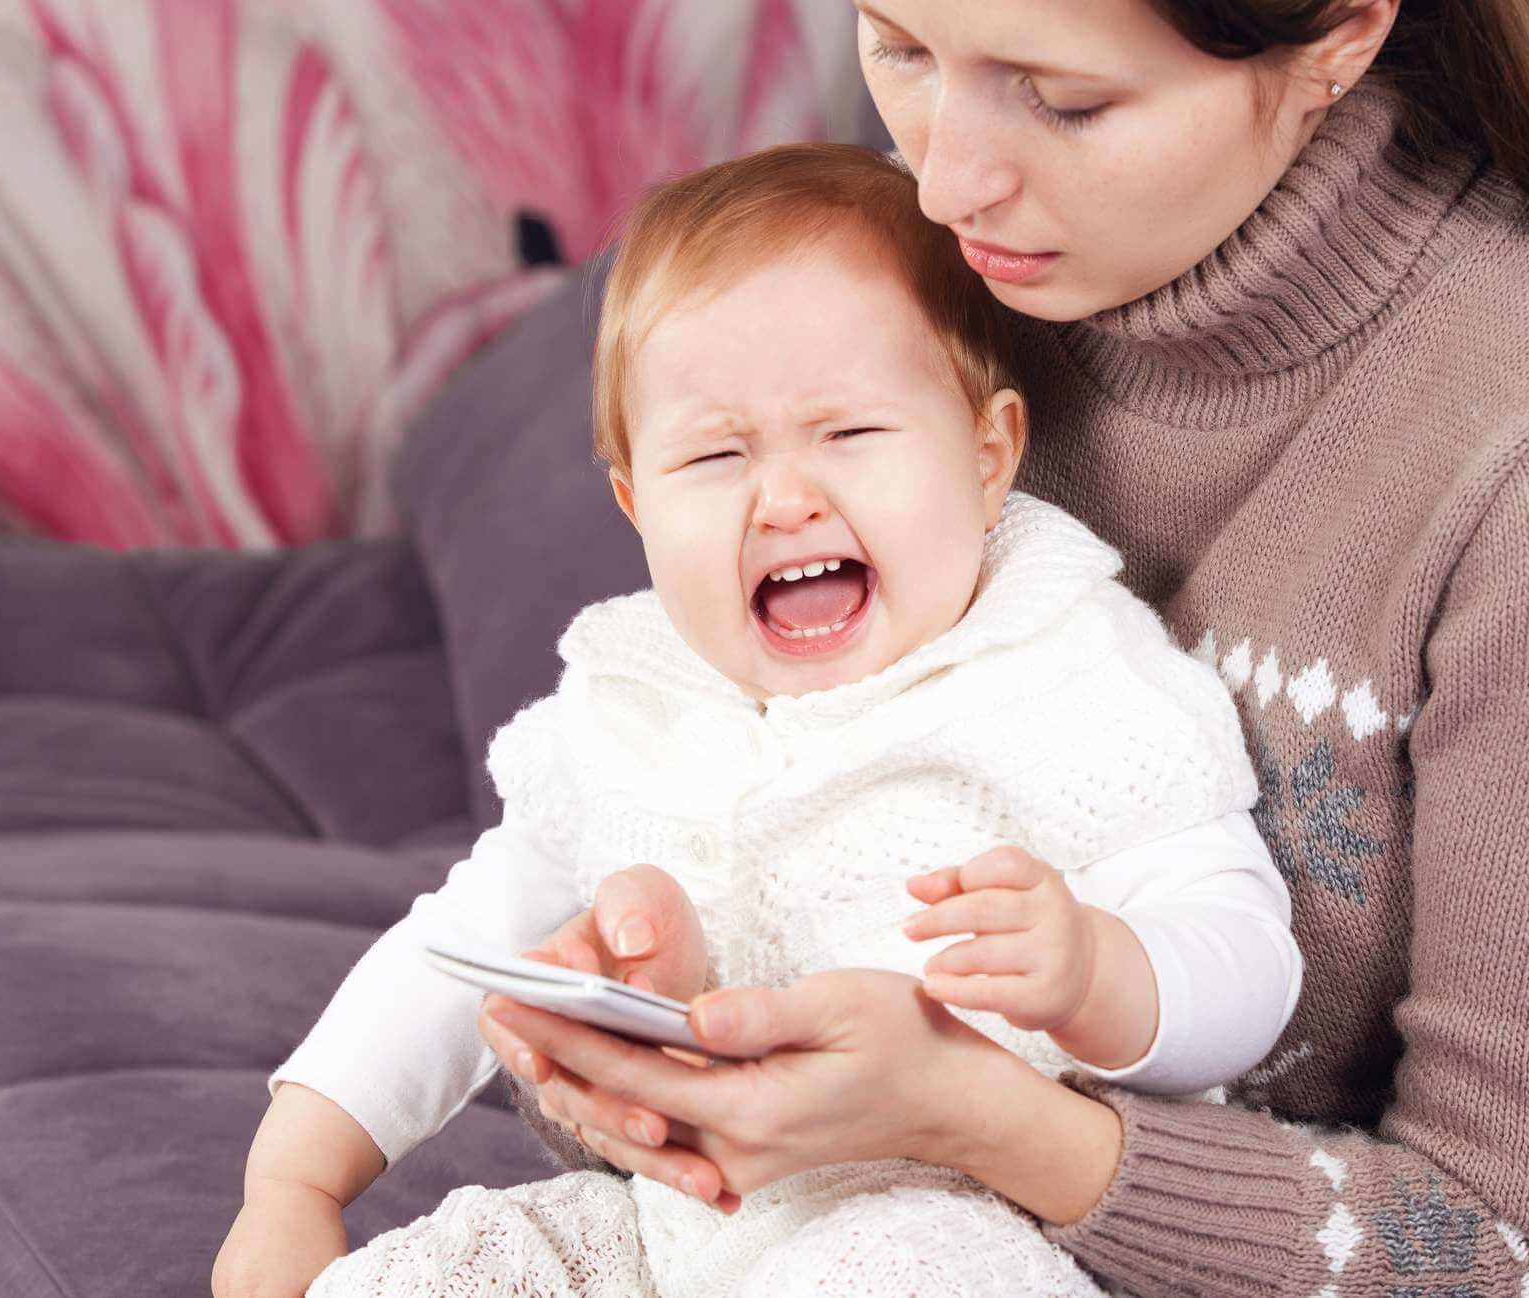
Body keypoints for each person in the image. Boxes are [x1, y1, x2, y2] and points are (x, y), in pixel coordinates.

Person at [472, 2, 1529, 1297]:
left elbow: (1512, 1264)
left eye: (1065, 99)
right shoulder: (944, 311)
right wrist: (642, 1054)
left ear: (1342, 35)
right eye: (902, 47)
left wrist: (976, 1118)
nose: (943, 176)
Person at [214, 144, 1301, 1297]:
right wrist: (292, 1184)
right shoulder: (635, 699)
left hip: (968, 1213)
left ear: (988, 457)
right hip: (683, 1221)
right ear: (636, 500)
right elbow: (455, 948)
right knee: (462, 1269)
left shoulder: (1066, 666)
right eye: (716, 454)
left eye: (848, 434)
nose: (785, 497)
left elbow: (1246, 958)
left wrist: (1102, 971)